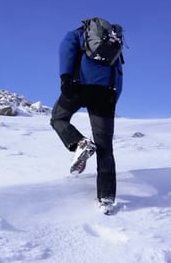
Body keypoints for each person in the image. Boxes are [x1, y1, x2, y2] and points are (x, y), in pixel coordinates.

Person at [50, 19, 123, 211]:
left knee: (58, 118)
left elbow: (65, 50)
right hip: (106, 93)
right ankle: (106, 198)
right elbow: (119, 72)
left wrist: (65, 78)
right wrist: (113, 98)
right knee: (105, 146)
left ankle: (80, 142)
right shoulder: (114, 43)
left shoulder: (78, 33)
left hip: (79, 87)